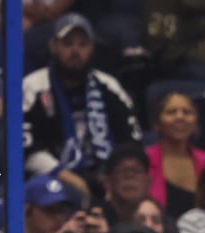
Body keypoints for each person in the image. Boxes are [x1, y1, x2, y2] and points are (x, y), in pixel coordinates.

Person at [21, 15, 140, 178]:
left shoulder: (108, 85)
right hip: (50, 177)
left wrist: (113, 175)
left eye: (82, 44)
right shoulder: (32, 86)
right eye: (67, 44)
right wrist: (63, 175)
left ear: (91, 48)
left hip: (105, 176)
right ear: (53, 46)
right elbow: (25, 146)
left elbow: (131, 140)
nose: (75, 51)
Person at [145, 92, 205, 221]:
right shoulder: (144, 159)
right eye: (171, 112)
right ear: (157, 123)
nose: (180, 117)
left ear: (196, 123)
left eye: (187, 112)